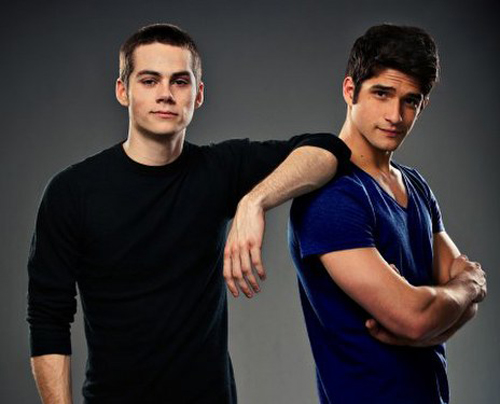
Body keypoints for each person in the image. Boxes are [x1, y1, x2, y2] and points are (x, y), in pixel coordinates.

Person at [27, 24, 350, 404]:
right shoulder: (72, 191)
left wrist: (254, 201)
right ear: (123, 90)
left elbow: (327, 150)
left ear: (198, 95)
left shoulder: (219, 170)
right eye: (149, 80)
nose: (165, 94)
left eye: (180, 82)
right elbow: (48, 317)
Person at [288, 24, 486, 403]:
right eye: (382, 94)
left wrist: (437, 310)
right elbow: (418, 317)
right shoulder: (333, 195)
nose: (395, 115)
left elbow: (462, 309)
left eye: (410, 101)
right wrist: (465, 287)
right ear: (350, 90)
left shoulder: (415, 185)